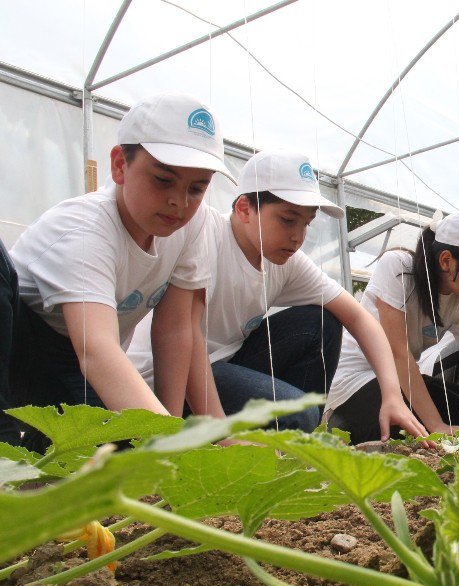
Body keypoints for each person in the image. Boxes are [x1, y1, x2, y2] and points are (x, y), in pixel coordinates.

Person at [128, 151, 424, 439]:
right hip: (162, 381)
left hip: (223, 367)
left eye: (306, 223)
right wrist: (218, 431)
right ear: (244, 208)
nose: (298, 236)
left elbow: (359, 318)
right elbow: (186, 341)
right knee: (296, 415)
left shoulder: (286, 261)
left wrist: (391, 394)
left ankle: (288, 435)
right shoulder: (205, 236)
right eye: (287, 219)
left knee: (320, 322)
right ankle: (280, 433)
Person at [0, 92, 232, 451]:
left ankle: (38, 445)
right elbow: (96, 348)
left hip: (78, 363)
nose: (179, 201)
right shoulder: (86, 228)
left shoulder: (192, 223)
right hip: (25, 345)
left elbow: (176, 329)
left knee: (121, 450)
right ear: (120, 165)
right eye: (163, 180)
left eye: (196, 188)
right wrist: (170, 446)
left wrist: (170, 433)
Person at [325, 208, 459, 441]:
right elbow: (399, 354)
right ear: (446, 260)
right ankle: (339, 426)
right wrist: (436, 426)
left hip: (403, 381)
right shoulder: (398, 269)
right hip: (355, 383)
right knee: (423, 425)